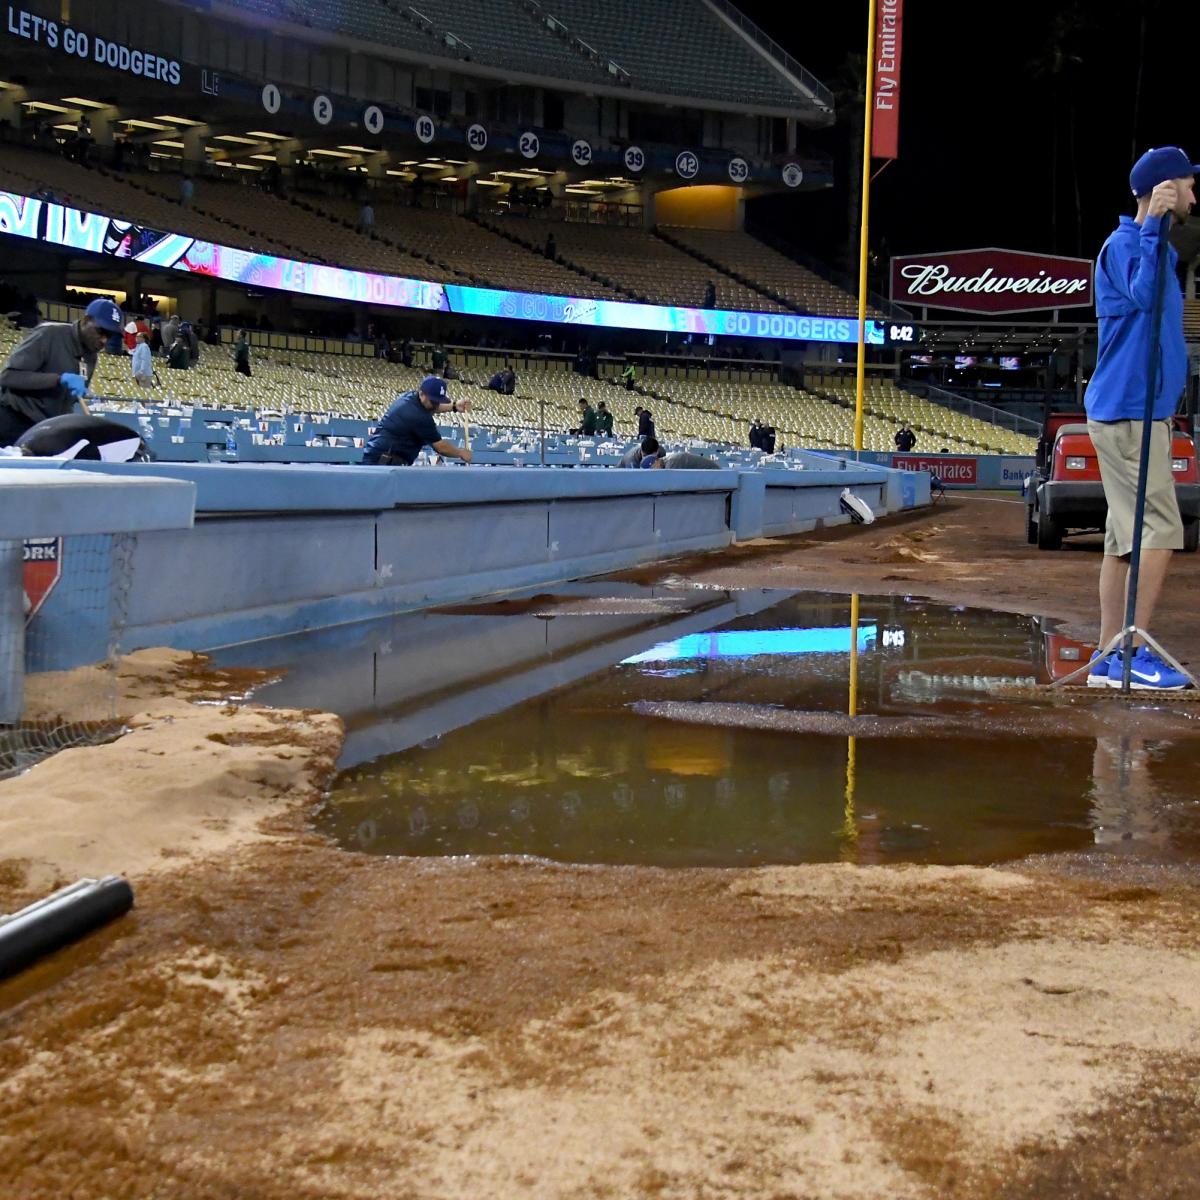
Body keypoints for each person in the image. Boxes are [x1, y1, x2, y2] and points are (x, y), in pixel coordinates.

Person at [1085, 146, 1198, 691]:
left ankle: (1110, 655)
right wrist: (1153, 223)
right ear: (1163, 189)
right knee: (1161, 530)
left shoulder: (1150, 246)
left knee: (1121, 538)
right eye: (1187, 184)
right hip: (1130, 411)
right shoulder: (1129, 244)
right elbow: (1145, 296)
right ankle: (1130, 652)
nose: (1194, 195)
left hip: (1136, 410)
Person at [0, 297, 121, 446]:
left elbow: (70, 399)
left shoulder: (91, 355)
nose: (104, 341)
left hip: (47, 430)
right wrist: (57, 379)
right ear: (86, 320)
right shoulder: (49, 334)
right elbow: (8, 376)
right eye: (100, 331)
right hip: (15, 421)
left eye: (109, 335)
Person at [362, 376, 473, 466]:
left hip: (382, 458)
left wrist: (453, 406)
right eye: (433, 401)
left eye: (438, 401)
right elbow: (441, 447)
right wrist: (461, 452)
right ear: (421, 394)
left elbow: (431, 407)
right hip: (381, 462)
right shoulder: (419, 416)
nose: (436, 405)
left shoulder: (411, 398)